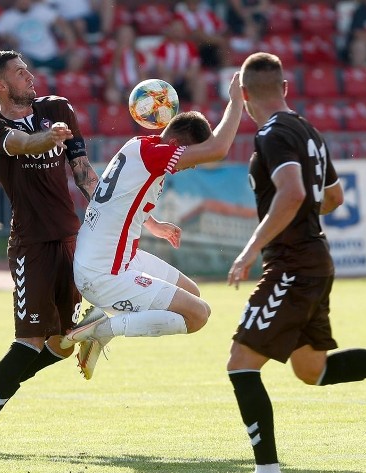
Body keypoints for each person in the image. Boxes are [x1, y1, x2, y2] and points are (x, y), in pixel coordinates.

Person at [217, 52, 366, 473]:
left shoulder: (272, 134)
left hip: (292, 264)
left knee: (241, 364)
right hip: (313, 260)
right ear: (285, 88)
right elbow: (334, 198)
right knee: (312, 370)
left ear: (244, 95)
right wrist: (301, 208)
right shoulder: (307, 130)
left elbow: (289, 194)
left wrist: (250, 248)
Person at [0, 50, 100, 459]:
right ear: (1, 86)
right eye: (20, 73)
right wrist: (46, 138)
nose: (30, 76)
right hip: (30, 244)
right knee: (31, 340)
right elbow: (19, 144)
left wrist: (112, 214)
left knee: (64, 342)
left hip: (69, 239)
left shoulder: (57, 109)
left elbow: (83, 171)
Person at [59, 74, 245, 381]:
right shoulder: (156, 155)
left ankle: (98, 324)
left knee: (191, 294)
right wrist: (236, 101)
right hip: (103, 275)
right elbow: (218, 150)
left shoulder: (138, 146)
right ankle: (101, 328)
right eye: (190, 155)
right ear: (176, 145)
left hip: (107, 260)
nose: (193, 164)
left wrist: (154, 224)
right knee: (198, 316)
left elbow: (116, 197)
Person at [0, 0, 85, 74]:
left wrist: (70, 44)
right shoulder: (8, 17)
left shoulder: (41, 10)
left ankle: (66, 84)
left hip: (53, 55)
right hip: (29, 57)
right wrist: (8, 38)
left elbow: (63, 25)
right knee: (20, 64)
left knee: (76, 59)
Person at [155, 17, 207, 106]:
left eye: (180, 29)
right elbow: (161, 68)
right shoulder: (163, 47)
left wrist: (185, 74)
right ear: (170, 31)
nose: (177, 32)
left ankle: (198, 109)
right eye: (175, 29)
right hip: (170, 78)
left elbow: (195, 67)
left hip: (186, 80)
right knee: (165, 80)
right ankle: (167, 109)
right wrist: (174, 73)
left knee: (200, 81)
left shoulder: (190, 47)